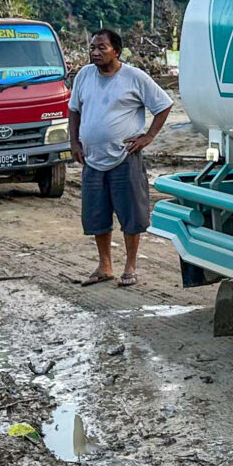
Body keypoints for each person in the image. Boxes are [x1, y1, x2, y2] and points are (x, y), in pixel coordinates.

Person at [68, 28, 172, 287]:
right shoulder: (84, 75)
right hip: (92, 158)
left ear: (116, 51)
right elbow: (74, 110)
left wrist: (148, 136)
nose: (95, 53)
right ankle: (105, 266)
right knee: (96, 214)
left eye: (101, 48)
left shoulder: (134, 77)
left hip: (125, 157)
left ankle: (130, 266)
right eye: (92, 48)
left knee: (131, 215)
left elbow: (164, 104)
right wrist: (74, 142)